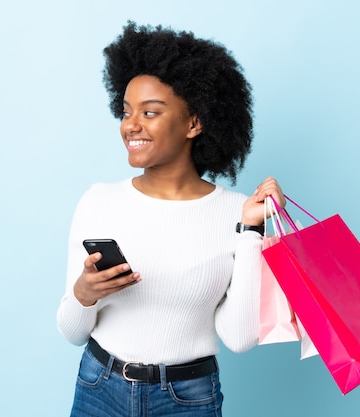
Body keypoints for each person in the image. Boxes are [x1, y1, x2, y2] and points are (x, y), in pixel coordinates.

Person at [57, 21, 285, 417]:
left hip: (187, 398)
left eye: (150, 112)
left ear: (194, 123)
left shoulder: (236, 211)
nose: (131, 125)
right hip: (99, 387)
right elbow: (72, 332)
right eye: (127, 111)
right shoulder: (99, 201)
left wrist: (251, 231)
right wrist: (85, 292)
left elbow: (241, 338)